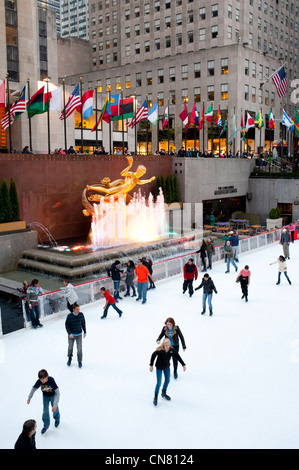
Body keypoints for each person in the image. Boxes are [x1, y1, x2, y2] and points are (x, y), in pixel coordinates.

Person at [150, 338, 186, 406]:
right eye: (166, 345)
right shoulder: (160, 350)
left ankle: (163, 392)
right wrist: (151, 365)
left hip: (166, 367)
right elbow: (153, 355)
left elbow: (177, 356)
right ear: (163, 345)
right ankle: (155, 396)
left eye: (168, 345)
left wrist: (183, 364)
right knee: (159, 383)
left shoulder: (171, 350)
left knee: (167, 380)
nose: (167, 346)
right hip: (159, 368)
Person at [27, 369, 60, 435]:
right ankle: (46, 425)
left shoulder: (51, 380)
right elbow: (33, 389)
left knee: (54, 409)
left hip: (53, 396)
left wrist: (55, 404)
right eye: (41, 379)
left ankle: (57, 418)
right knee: (45, 411)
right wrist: (29, 398)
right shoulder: (39, 381)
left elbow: (58, 393)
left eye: (44, 379)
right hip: (45, 397)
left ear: (47, 376)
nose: (42, 381)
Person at [65, 303, 86, 368]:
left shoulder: (81, 315)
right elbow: (67, 325)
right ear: (73, 309)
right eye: (77, 309)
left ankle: (79, 361)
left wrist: (85, 331)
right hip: (72, 335)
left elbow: (83, 323)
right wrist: (69, 333)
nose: (78, 310)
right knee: (70, 347)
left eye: (79, 309)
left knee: (79, 349)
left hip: (79, 334)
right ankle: (69, 358)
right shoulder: (69, 316)